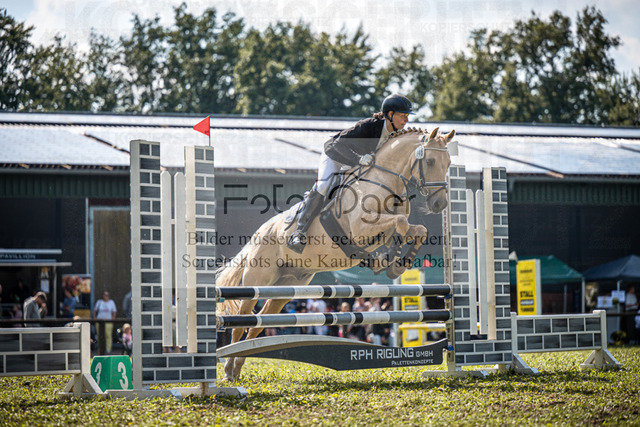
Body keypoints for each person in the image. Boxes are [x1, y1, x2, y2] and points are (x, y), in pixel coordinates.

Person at [287, 94, 414, 253]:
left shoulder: (396, 136)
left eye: (407, 116)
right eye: (403, 116)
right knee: (324, 186)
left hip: (358, 164)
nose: (406, 120)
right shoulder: (368, 126)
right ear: (390, 114)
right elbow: (337, 144)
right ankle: (299, 231)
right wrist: (358, 159)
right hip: (335, 156)